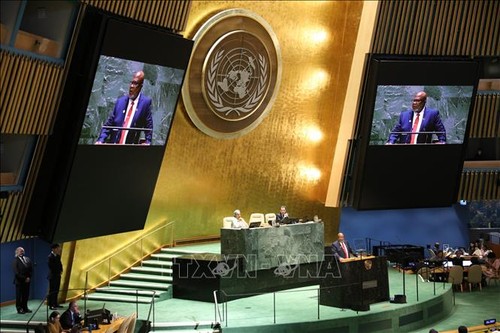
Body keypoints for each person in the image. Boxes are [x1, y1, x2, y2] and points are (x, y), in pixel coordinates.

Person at [96, 70, 153, 145]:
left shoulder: (145, 103)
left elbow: (149, 128)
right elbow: (108, 125)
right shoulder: (120, 102)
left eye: (135, 83)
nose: (131, 86)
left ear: (141, 86)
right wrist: (100, 141)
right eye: (131, 82)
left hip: (130, 150)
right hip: (114, 146)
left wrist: (147, 142)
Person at [12, 247, 33, 314]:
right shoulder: (15, 261)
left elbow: (31, 270)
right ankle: (19, 309)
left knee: (26, 295)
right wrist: (25, 278)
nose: (22, 252)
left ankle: (25, 308)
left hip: (27, 281)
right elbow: (16, 273)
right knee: (19, 296)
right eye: (20, 251)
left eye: (23, 251)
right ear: (17, 252)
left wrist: (29, 277)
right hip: (19, 281)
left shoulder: (27, 259)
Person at [48, 243, 63, 310]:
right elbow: (51, 267)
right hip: (53, 276)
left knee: (56, 290)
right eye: (57, 248)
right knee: (52, 290)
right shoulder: (50, 257)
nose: (58, 249)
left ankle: (55, 303)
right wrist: (57, 271)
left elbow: (60, 264)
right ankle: (51, 304)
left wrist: (61, 270)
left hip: (57, 275)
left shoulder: (57, 256)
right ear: (53, 249)